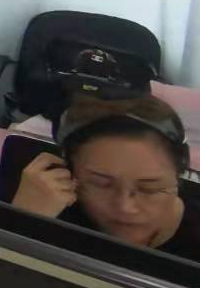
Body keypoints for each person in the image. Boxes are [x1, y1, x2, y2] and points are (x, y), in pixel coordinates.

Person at [11, 95, 199, 263]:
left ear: (178, 174)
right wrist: (23, 222)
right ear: (70, 170)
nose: (125, 207)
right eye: (101, 184)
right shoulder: (41, 194)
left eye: (149, 189)